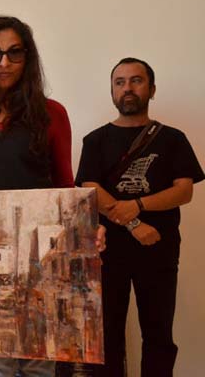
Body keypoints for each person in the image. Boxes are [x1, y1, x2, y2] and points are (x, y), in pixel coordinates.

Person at [0, 16, 104, 377]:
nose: (4, 63)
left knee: (38, 364)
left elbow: (65, 186)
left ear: (28, 57)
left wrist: (88, 227)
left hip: (40, 257)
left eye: (14, 53)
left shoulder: (51, 114)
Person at [75, 57, 203, 377]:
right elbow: (89, 187)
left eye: (136, 80)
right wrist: (133, 222)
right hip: (106, 253)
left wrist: (139, 204)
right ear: (112, 91)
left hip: (158, 249)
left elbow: (184, 190)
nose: (127, 88)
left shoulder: (172, 139)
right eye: (119, 82)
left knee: (158, 336)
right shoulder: (95, 140)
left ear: (152, 89)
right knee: (107, 337)